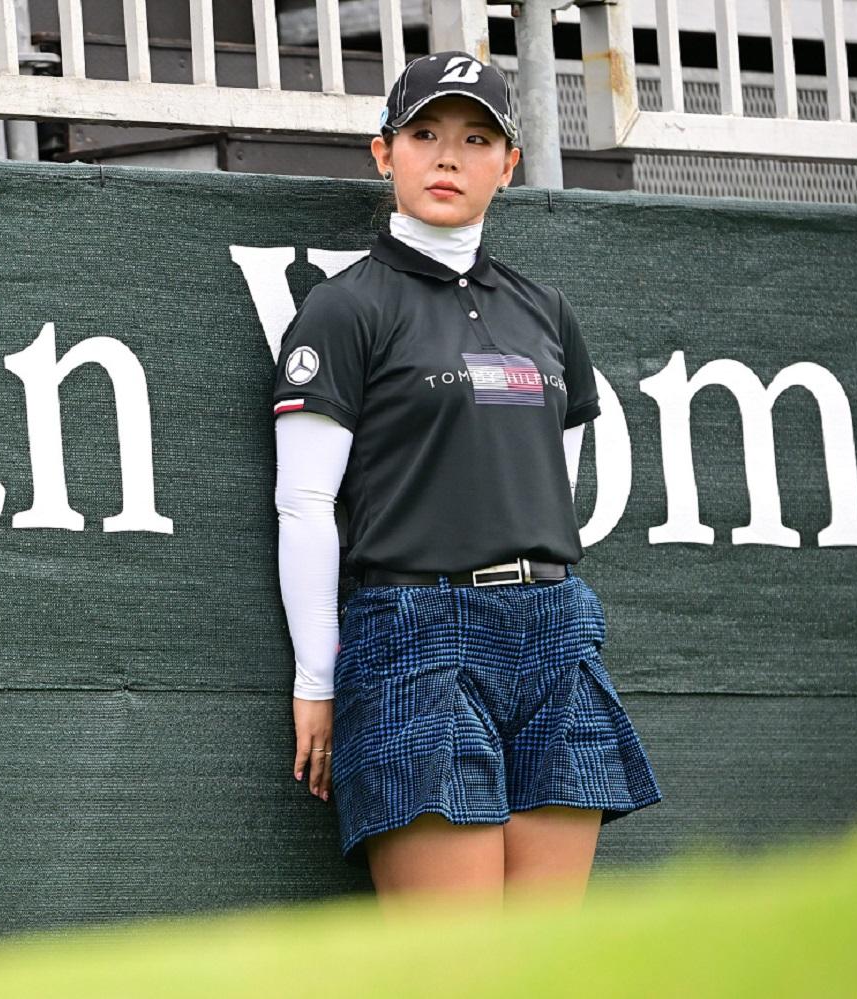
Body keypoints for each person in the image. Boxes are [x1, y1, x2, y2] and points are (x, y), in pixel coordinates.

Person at [271, 51, 663, 908]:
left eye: (476, 138)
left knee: (541, 962)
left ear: (508, 164)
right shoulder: (346, 307)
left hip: (555, 630)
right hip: (414, 632)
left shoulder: (546, 310)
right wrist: (317, 678)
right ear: (386, 154)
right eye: (425, 134)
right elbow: (302, 504)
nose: (448, 157)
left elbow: (555, 492)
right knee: (456, 968)